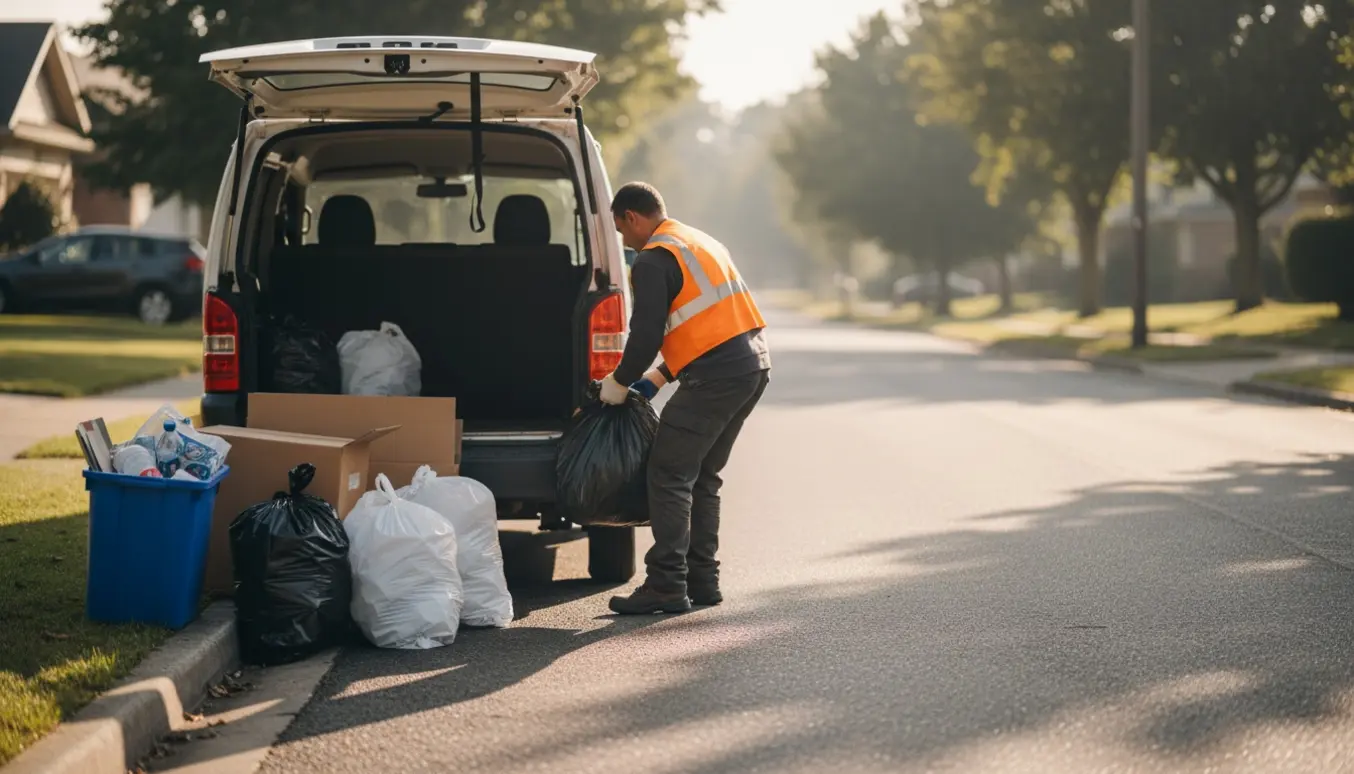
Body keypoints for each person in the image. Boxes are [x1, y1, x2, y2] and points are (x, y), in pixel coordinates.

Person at [601, 182, 771, 615]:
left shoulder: (654, 260)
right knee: (702, 476)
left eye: (621, 229)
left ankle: (665, 584)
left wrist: (619, 382)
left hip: (716, 376)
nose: (624, 239)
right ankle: (702, 582)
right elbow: (710, 322)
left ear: (632, 218)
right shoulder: (698, 241)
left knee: (670, 472)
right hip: (752, 366)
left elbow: (645, 335)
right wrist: (660, 375)